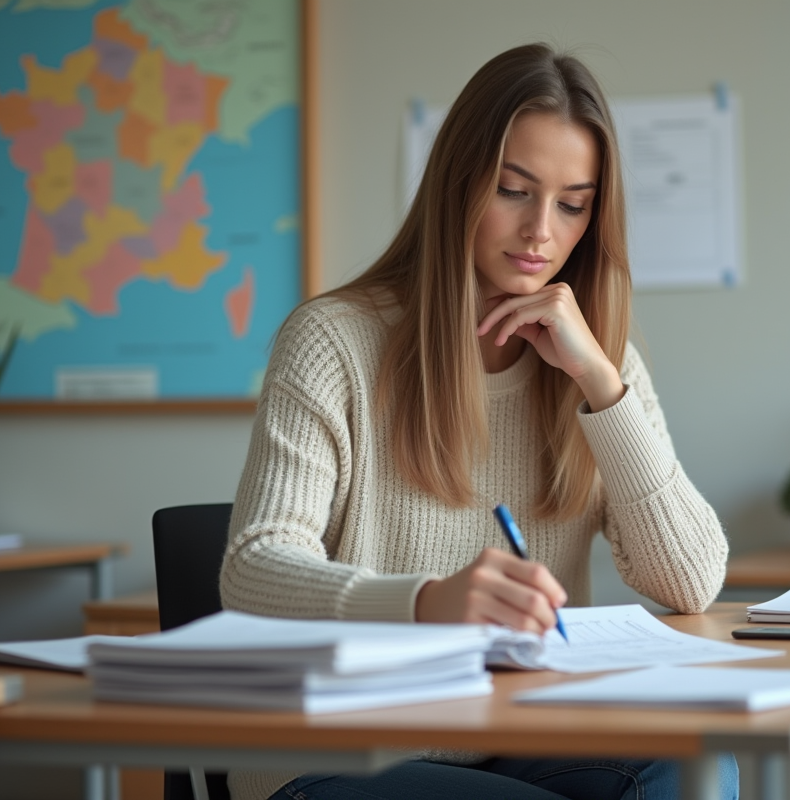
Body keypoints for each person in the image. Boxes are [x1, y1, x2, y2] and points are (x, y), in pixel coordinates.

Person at [221, 43, 735, 800]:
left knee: (692, 771)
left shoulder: (596, 359)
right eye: (513, 190)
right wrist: (424, 604)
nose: (540, 232)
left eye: (573, 204)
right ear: (458, 180)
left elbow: (691, 582)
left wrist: (600, 383)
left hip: (519, 733)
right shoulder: (333, 341)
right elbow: (253, 570)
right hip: (338, 750)